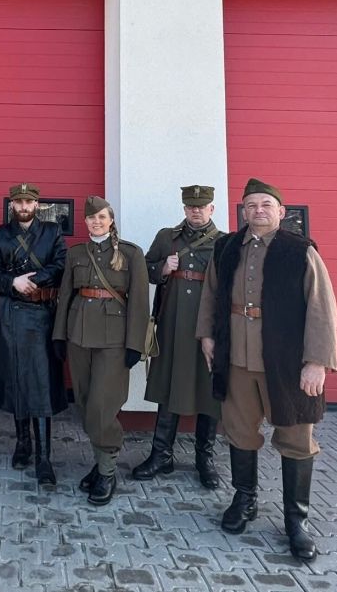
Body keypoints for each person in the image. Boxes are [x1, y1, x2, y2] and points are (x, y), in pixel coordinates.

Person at [197, 178, 337, 562]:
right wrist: (207, 336)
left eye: (265, 204)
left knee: (296, 437)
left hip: (287, 362)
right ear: (243, 210)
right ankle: (245, 500)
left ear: (281, 211)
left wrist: (317, 362)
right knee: (240, 431)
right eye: (251, 205)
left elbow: (322, 308)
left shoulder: (300, 250)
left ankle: (296, 520)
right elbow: (211, 293)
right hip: (237, 358)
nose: (258, 211)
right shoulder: (226, 247)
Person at [53, 196, 149, 504]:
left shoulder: (131, 253)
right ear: (85, 222)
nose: (96, 222)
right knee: (84, 402)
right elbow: (66, 295)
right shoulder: (76, 253)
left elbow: (139, 302)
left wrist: (135, 344)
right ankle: (100, 464)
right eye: (91, 218)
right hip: (78, 335)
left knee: (102, 405)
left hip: (114, 339)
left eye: (102, 217)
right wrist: (59, 335)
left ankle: (107, 472)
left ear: (111, 220)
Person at [133, 185, 224, 489]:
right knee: (168, 385)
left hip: (208, 327)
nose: (196, 211)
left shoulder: (224, 242)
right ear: (184, 209)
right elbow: (145, 270)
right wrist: (163, 267)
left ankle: (204, 459)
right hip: (172, 323)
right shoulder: (166, 237)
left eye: (202, 206)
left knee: (208, 390)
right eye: (191, 206)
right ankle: (161, 455)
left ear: (211, 208)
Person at [0, 182, 68, 485]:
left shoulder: (52, 231)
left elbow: (61, 264)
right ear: (12, 205)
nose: (23, 206)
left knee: (40, 384)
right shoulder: (0, 234)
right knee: (17, 379)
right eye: (18, 202)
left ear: (36, 204)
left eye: (28, 202)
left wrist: (37, 279)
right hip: (9, 315)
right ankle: (23, 443)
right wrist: (13, 283)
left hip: (42, 314)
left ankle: (44, 457)